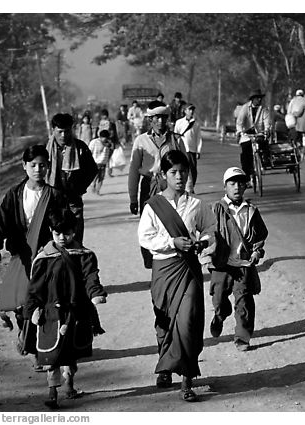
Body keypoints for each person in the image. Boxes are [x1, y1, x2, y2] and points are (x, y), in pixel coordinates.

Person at [137, 150, 216, 402]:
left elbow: (211, 229)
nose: (179, 177)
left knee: (187, 322)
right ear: (163, 175)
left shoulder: (196, 204)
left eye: (183, 171)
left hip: (189, 270)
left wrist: (202, 243)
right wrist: (173, 242)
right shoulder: (153, 206)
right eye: (173, 172)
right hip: (163, 269)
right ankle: (165, 365)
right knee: (164, 321)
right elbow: (145, 237)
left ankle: (187, 379)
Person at [24, 208, 107, 409]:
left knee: (70, 353)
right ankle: (52, 392)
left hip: (74, 313)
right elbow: (34, 287)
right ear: (51, 231)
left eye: (67, 233)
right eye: (57, 233)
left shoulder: (84, 255)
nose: (62, 238)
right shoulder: (43, 259)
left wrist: (95, 293)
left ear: (75, 231)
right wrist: (33, 308)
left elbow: (90, 277)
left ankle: (69, 384)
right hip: (50, 314)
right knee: (50, 355)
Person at [0, 145, 66, 342]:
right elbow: (3, 219)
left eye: (42, 165)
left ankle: (37, 345)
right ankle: (24, 332)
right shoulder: (14, 194)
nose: (38, 170)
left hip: (45, 254)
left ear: (48, 167)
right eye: (33, 165)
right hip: (22, 253)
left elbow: (61, 223)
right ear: (24, 166)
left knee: (43, 297)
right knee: (22, 298)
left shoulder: (54, 195)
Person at [209, 167, 268, 352]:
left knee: (244, 302)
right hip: (222, 265)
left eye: (240, 184)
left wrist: (257, 251)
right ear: (224, 186)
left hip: (243, 264)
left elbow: (260, 235)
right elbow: (206, 233)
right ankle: (220, 314)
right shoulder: (215, 209)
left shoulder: (250, 210)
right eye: (232, 183)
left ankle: (242, 338)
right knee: (218, 299)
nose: (237, 188)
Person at [128, 100, 187, 268]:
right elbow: (134, 170)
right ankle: (151, 262)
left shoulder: (176, 140)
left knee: (174, 223)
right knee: (149, 224)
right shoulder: (141, 141)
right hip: (149, 186)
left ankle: (173, 260)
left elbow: (185, 168)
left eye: (163, 117)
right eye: (156, 118)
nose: (160, 121)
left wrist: (187, 190)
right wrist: (133, 198)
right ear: (150, 119)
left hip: (171, 186)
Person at [45, 113, 98, 244]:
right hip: (51, 201)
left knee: (75, 237)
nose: (63, 136)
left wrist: (79, 188)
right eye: (60, 132)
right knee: (53, 239)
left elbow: (92, 170)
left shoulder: (80, 148)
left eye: (67, 131)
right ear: (53, 130)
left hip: (73, 200)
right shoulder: (45, 151)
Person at [235, 89, 270, 184]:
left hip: (259, 134)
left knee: (264, 146)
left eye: (260, 98)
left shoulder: (264, 109)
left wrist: (266, 130)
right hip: (247, 135)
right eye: (257, 98)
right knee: (246, 154)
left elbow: (267, 122)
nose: (259, 100)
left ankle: (264, 161)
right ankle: (246, 178)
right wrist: (240, 131)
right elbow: (239, 122)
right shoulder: (245, 108)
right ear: (253, 99)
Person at [174, 103, 202, 194]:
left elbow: (198, 138)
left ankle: (191, 187)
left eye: (192, 109)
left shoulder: (196, 124)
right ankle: (185, 188)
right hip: (182, 149)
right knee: (183, 170)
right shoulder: (179, 122)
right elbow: (175, 136)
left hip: (192, 150)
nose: (191, 111)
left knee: (193, 170)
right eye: (189, 109)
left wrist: (198, 150)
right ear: (185, 111)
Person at [88, 130, 113, 195]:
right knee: (94, 177)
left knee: (101, 178)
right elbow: (89, 151)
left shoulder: (109, 144)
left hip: (103, 164)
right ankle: (93, 185)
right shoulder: (94, 142)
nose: (105, 139)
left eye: (107, 138)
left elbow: (110, 154)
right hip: (95, 163)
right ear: (100, 137)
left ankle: (98, 190)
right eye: (104, 138)